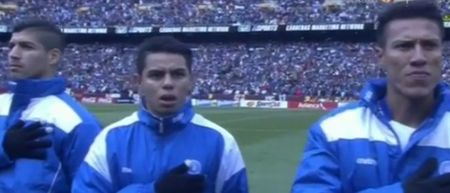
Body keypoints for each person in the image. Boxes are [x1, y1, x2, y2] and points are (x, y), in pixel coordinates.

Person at [291, 1, 450, 193]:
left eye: (430, 45)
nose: (418, 57)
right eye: (404, 46)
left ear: (441, 53)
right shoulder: (333, 130)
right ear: (380, 57)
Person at [73, 36, 249, 193]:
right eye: (156, 75)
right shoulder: (110, 140)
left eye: (178, 74)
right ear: (138, 83)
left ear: (191, 81)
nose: (168, 83)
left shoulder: (221, 142)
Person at [0, 19, 101, 192]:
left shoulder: (76, 122)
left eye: (26, 46)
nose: (13, 54)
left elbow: (89, 186)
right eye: (12, 46)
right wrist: (4, 148)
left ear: (53, 56)